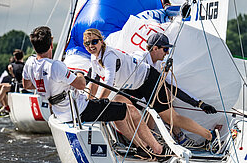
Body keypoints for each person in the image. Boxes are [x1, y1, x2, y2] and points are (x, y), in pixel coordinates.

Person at [22, 26, 171, 161]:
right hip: (78, 110)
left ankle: (141, 147)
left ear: (34, 47)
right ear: (50, 45)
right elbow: (81, 85)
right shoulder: (56, 66)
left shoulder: (29, 63)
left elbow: (27, 85)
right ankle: (159, 150)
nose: (90, 46)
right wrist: (79, 74)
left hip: (60, 111)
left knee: (116, 112)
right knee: (130, 110)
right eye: (88, 43)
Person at [83, 28, 218, 148]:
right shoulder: (138, 56)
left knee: (171, 117)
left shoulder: (112, 57)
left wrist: (199, 104)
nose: (167, 53)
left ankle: (209, 136)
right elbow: (96, 82)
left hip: (149, 81)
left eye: (94, 42)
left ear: (100, 41)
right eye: (165, 49)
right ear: (155, 48)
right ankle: (142, 145)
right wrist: (89, 105)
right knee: (117, 107)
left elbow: (173, 87)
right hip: (134, 86)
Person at [0, 49, 25, 115]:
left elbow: (13, 75)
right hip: (17, 84)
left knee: (3, 87)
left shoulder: (11, 66)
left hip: (20, 86)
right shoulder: (25, 65)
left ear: (15, 57)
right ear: (22, 57)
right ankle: (6, 107)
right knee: (0, 86)